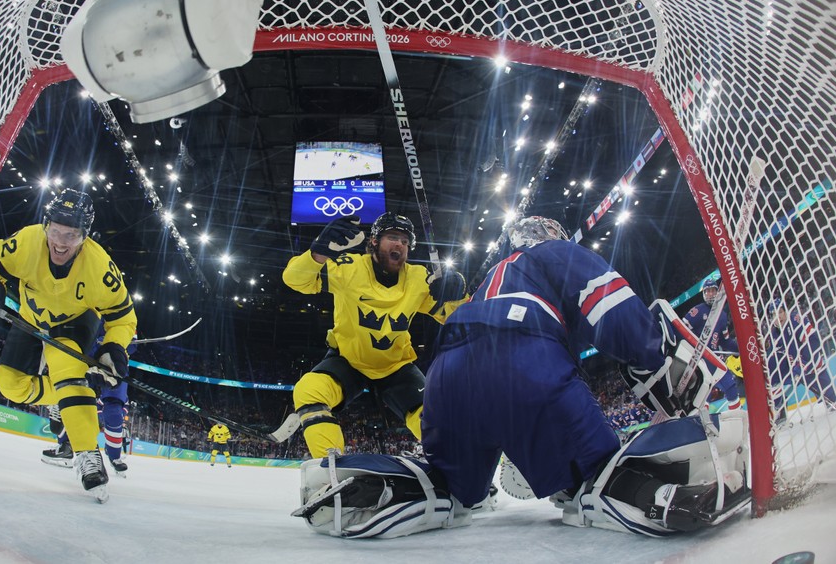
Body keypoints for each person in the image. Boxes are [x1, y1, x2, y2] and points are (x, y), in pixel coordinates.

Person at [292, 216, 749, 538]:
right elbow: (614, 312)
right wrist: (652, 355)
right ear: (551, 236)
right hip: (521, 357)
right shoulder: (555, 254)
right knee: (592, 475)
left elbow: (451, 314)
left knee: (451, 488)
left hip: (446, 377)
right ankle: (650, 489)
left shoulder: (490, 275)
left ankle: (375, 485)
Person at [0, 189, 136, 503]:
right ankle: (65, 395)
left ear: (85, 236)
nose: (60, 242)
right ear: (45, 225)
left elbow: (124, 318)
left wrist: (114, 347)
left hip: (76, 321)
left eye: (71, 235)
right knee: (10, 385)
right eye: (55, 230)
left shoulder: (100, 268)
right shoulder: (27, 241)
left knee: (67, 370)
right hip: (30, 317)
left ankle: (87, 454)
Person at [282, 212, 467, 459]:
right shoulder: (349, 267)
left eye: (405, 241)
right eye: (392, 237)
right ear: (374, 242)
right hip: (349, 360)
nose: (399, 245)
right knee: (309, 389)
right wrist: (318, 252)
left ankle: (458, 467)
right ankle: (330, 467)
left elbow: (455, 319)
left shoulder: (419, 278)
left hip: (396, 366)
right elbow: (295, 281)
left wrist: (457, 293)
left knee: (432, 414)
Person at [42, 332, 137, 476]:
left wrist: (115, 345)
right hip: (84, 353)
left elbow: (131, 342)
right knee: (71, 393)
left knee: (114, 411)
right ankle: (66, 446)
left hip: (111, 359)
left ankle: (114, 456)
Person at [765, 298, 835, 422]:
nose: (778, 316)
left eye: (780, 312)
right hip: (794, 369)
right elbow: (778, 358)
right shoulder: (774, 333)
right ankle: (779, 411)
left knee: (831, 399)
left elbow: (813, 341)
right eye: (774, 314)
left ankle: (830, 399)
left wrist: (801, 365)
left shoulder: (796, 320)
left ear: (786, 312)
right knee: (775, 379)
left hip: (813, 366)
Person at [682, 276, 741, 410]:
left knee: (723, 390)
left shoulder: (722, 315)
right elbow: (681, 330)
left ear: (717, 292)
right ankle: (707, 424)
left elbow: (725, 341)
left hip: (713, 358)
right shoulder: (697, 311)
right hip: (699, 360)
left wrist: (740, 348)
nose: (710, 294)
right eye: (707, 291)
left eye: (713, 290)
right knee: (707, 394)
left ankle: (734, 422)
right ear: (703, 294)